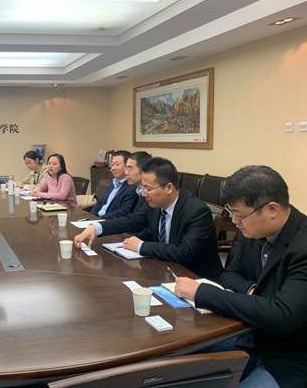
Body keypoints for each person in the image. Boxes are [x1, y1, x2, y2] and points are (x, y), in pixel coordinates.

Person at [175, 166, 307, 387]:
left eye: (240, 215)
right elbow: (228, 275)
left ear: (272, 209)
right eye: (232, 213)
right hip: (249, 334)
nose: (235, 222)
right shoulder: (253, 230)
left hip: (288, 355)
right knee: (176, 359)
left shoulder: (302, 245)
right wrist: (254, 292)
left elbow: (282, 315)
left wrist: (203, 293)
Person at [75, 157, 222, 280]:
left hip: (195, 278)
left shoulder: (196, 211)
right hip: (164, 269)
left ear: (169, 188)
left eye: (148, 189)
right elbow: (132, 220)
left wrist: (141, 246)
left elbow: (185, 252)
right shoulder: (155, 204)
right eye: (142, 187)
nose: (144, 194)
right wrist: (97, 227)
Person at [90, 150, 137, 219]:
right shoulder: (113, 183)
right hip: (96, 219)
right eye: (112, 164)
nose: (113, 168)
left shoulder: (131, 187)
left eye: (117, 164)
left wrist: (99, 220)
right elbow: (100, 203)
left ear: (127, 166)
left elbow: (123, 212)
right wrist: (91, 217)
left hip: (108, 221)